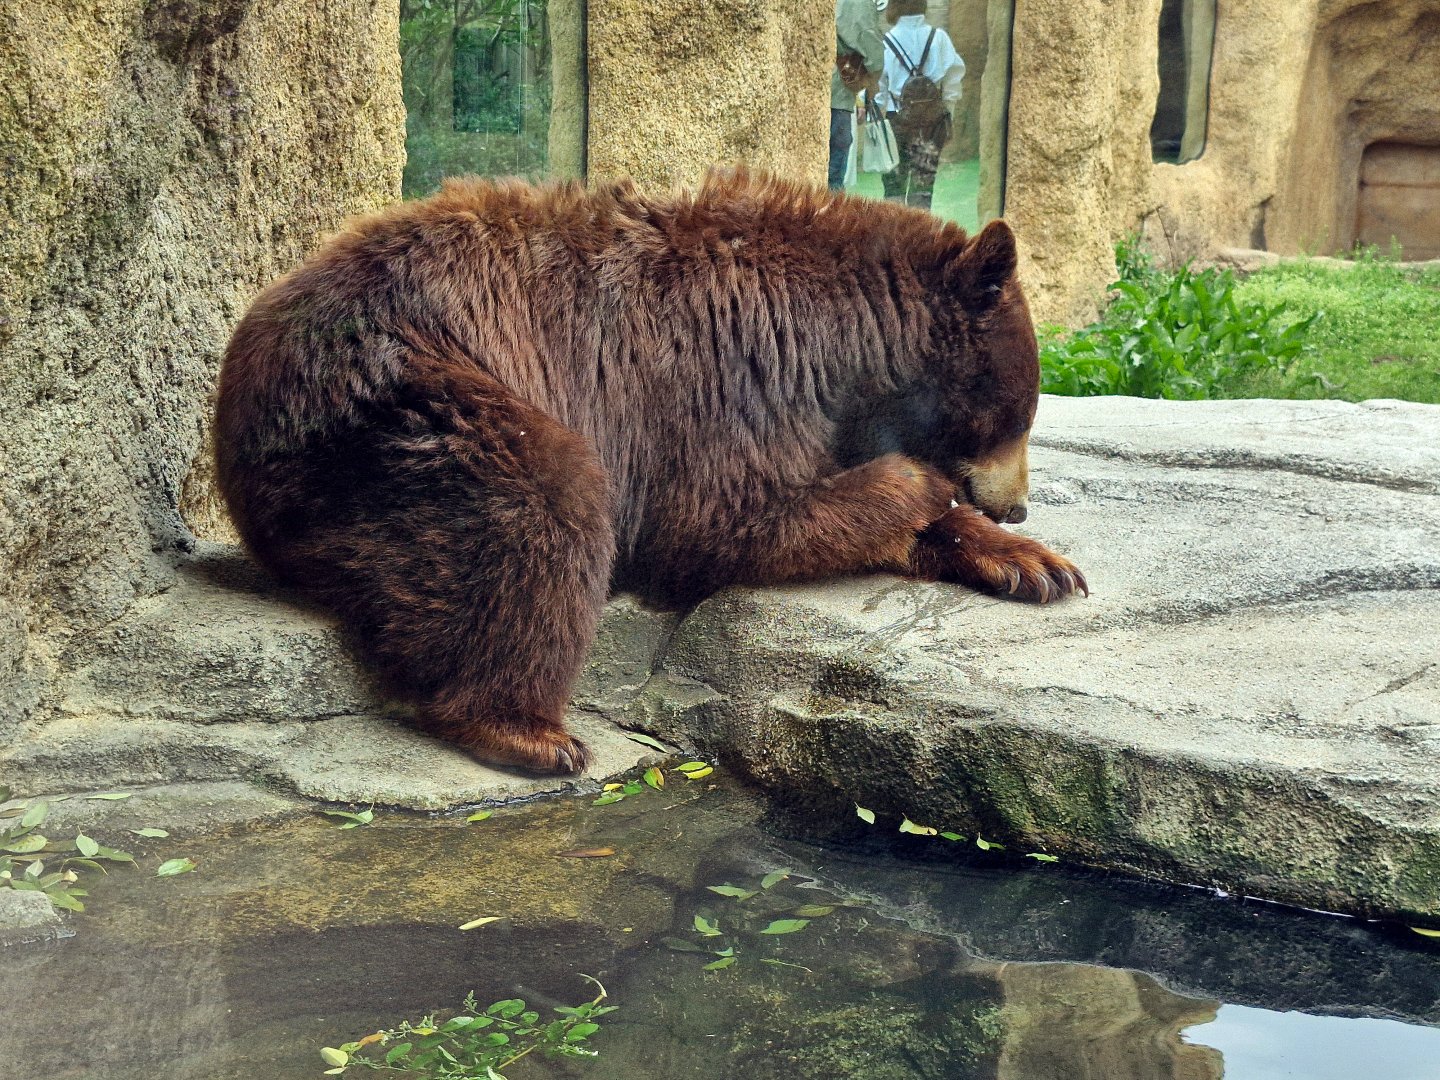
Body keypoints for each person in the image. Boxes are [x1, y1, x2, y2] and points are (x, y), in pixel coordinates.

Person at [878, 0, 965, 209]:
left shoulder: (886, 41)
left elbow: (880, 87)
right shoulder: (939, 38)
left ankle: (893, 236)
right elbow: (954, 79)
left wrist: (881, 116)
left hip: (896, 118)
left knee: (893, 186)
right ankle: (921, 236)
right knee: (923, 185)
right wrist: (947, 114)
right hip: (931, 121)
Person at [831, 0, 887, 191]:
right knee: (833, 183)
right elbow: (867, 37)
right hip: (836, 96)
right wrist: (873, 77)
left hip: (825, 93)